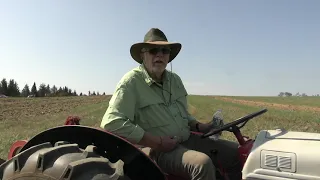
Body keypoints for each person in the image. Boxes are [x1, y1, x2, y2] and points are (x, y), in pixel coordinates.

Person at [100, 28, 242, 180]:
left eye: (164, 50)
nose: (159, 54)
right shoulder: (131, 82)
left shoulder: (175, 81)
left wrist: (200, 126)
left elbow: (184, 114)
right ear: (143, 54)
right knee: (202, 164)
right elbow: (111, 122)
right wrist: (158, 142)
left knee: (237, 152)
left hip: (186, 139)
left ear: (169, 56)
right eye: (154, 50)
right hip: (157, 150)